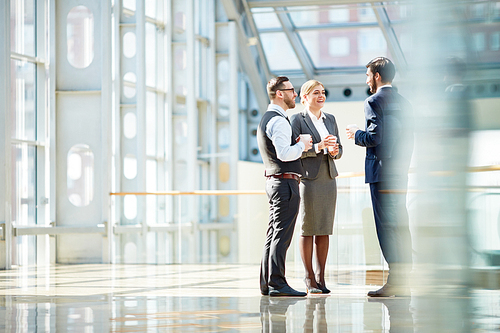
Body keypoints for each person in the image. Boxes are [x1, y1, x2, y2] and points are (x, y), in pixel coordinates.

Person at [346, 57, 414, 297]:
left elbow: (374, 138)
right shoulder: (405, 103)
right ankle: (404, 278)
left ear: (376, 76)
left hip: (381, 174)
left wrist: (356, 134)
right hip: (399, 173)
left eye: (367, 75)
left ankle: (395, 281)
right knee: (400, 224)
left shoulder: (373, 101)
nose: (366, 80)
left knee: (386, 227)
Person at [257, 76, 313, 297]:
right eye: (291, 91)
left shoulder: (268, 118)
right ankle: (277, 283)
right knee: (281, 234)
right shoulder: (279, 121)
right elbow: (284, 153)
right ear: (280, 93)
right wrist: (301, 144)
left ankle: (268, 282)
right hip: (284, 183)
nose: (295, 95)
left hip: (275, 181)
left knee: (273, 233)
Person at [290, 80, 342, 294]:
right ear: (304, 98)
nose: (321, 96)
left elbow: (339, 151)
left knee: (324, 229)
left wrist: (333, 151)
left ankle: (321, 277)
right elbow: (293, 151)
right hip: (309, 180)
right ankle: (309, 277)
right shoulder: (297, 120)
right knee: (308, 228)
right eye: (315, 93)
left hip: (329, 178)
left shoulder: (330, 119)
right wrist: (319, 148)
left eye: (322, 92)